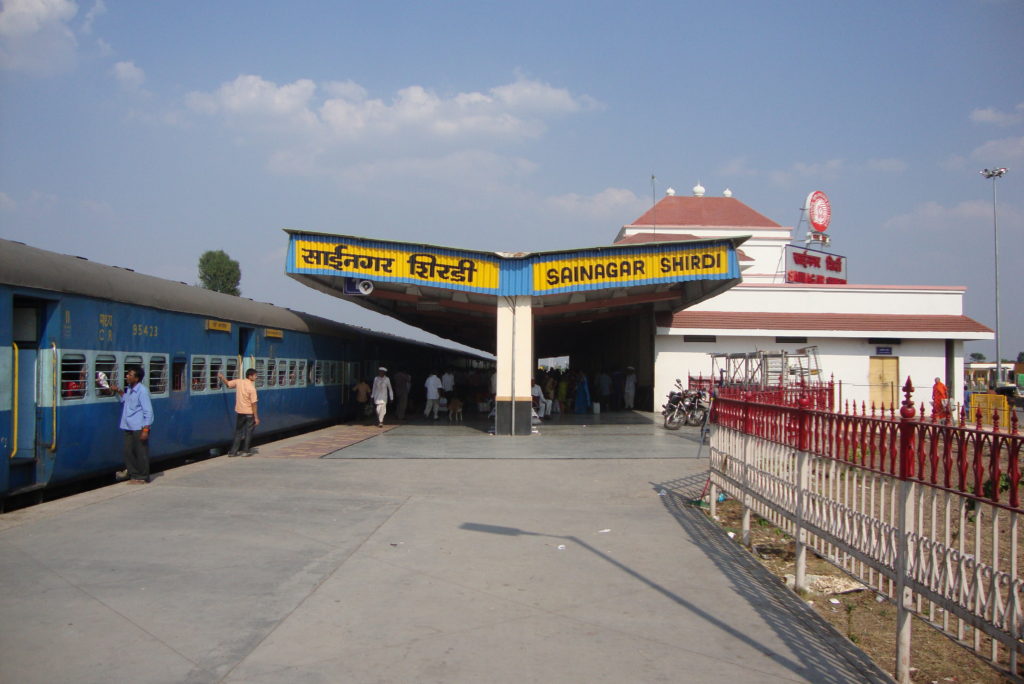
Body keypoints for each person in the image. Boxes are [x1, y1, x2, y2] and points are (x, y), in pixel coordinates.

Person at [111, 365, 153, 484]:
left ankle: (143, 477)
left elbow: (148, 411)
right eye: (127, 374)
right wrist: (119, 391)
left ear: (137, 378)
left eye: (130, 375)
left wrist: (146, 429)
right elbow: (126, 400)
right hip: (128, 426)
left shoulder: (142, 391)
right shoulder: (129, 389)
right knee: (128, 451)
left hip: (139, 427)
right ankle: (134, 475)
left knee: (141, 452)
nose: (127, 376)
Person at [218, 368, 260, 456]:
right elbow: (254, 404)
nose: (256, 377)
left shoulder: (239, 382)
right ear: (250, 376)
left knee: (238, 432)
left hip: (240, 412)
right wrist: (256, 417)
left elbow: (228, 384)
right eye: (255, 376)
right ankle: (245, 451)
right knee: (248, 432)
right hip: (249, 413)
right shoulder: (252, 388)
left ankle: (233, 451)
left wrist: (222, 377)